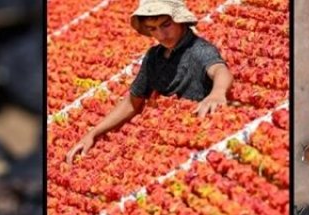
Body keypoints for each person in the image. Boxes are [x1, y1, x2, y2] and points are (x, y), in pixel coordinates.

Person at [66, 0, 233, 163]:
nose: (161, 35)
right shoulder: (154, 56)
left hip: (198, 137)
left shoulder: (199, 49)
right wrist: (93, 133)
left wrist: (217, 93)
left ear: (180, 20)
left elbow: (219, 69)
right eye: (152, 29)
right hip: (167, 137)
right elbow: (132, 102)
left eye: (166, 25)